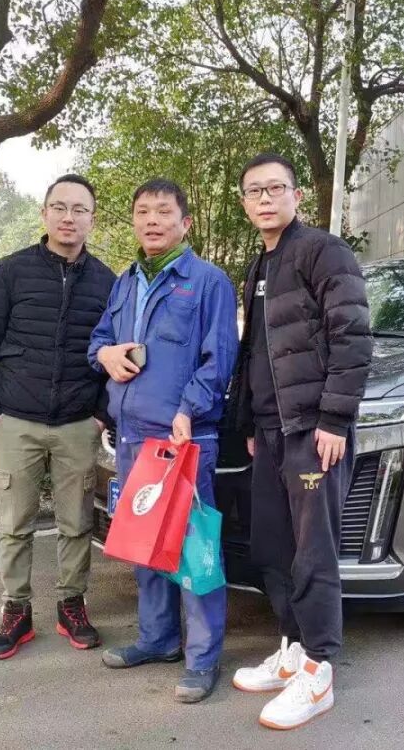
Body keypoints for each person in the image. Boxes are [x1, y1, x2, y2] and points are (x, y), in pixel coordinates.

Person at [229, 153, 372, 730]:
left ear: (296, 196)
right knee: (273, 547)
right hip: (270, 432)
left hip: (314, 432)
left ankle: (319, 669)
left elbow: (352, 336)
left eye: (275, 188)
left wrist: (334, 420)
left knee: (313, 552)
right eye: (254, 191)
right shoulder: (261, 264)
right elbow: (257, 353)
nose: (265, 199)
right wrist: (250, 425)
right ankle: (291, 649)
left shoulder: (323, 251)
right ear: (245, 202)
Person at [89, 179, 239, 703]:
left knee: (194, 548)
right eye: (143, 211)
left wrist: (188, 409)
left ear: (185, 222)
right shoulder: (126, 280)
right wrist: (105, 355)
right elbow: (100, 340)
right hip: (131, 436)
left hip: (184, 436)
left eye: (163, 211)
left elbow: (219, 359)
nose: (151, 220)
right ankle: (158, 639)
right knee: (145, 545)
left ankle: (203, 658)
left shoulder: (208, 281)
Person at [0, 173, 115, 660]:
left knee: (77, 522)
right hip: (15, 421)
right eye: (60, 207)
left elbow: (117, 354)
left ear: (92, 219)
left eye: (79, 209)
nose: (69, 217)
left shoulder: (107, 282)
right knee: (15, 525)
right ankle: (16, 610)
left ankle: (72, 604)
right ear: (44, 213)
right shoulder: (11, 272)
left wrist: (100, 415)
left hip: (78, 424)